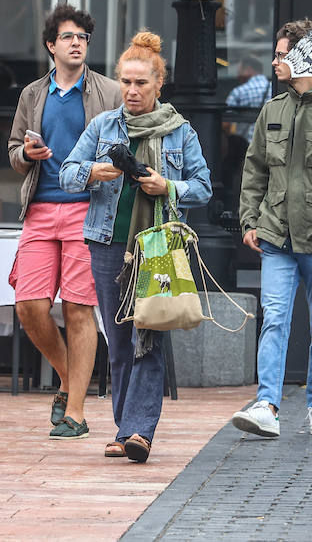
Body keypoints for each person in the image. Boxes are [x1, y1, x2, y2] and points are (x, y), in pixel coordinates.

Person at [60, 31, 212, 462]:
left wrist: (169, 185)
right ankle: (125, 425)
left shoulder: (180, 131)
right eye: (125, 82)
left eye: (141, 83)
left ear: (158, 84)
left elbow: (203, 187)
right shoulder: (103, 126)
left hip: (159, 245)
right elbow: (66, 173)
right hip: (109, 244)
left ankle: (138, 430)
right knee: (120, 336)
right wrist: (96, 172)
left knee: (151, 330)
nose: (131, 90)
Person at [7, 5, 121, 439]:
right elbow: (14, 151)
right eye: (69, 36)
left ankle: (76, 413)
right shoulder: (32, 95)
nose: (77, 43)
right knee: (30, 306)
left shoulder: (109, 92)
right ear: (51, 45)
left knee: (78, 307)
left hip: (87, 209)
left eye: (84, 37)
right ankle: (71, 378)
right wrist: (25, 155)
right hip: (39, 209)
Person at [232, 19, 312, 440]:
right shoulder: (272, 109)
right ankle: (267, 404)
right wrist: (249, 219)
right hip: (276, 233)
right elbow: (255, 168)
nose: (275, 62)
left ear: (307, 57)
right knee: (275, 317)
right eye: (276, 54)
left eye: (282, 55)